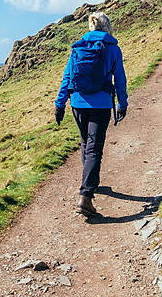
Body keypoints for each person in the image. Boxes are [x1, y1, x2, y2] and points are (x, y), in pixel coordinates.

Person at [54, 11, 128, 217]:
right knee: (95, 148)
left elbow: (67, 77)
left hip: (77, 103)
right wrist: (123, 104)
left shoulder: (78, 47)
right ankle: (85, 196)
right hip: (101, 104)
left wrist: (60, 103)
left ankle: (90, 183)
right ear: (107, 27)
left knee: (86, 144)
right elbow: (120, 80)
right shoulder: (113, 49)